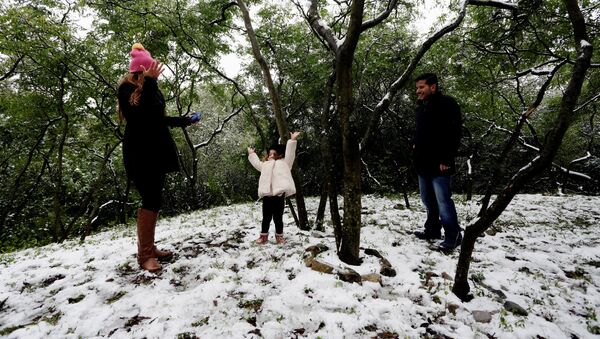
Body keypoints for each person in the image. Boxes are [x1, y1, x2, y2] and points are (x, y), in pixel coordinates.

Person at [117, 43, 198, 272]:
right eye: (149, 71)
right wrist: (150, 83)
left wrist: (185, 120)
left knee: (155, 199)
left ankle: (149, 248)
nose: (153, 73)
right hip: (139, 152)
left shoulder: (153, 88)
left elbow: (157, 119)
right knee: (149, 199)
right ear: (139, 71)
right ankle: (144, 256)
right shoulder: (126, 90)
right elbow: (138, 117)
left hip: (158, 151)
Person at [412, 73, 463, 251]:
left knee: (443, 200)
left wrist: (447, 158)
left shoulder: (447, 104)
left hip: (441, 162)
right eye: (417, 88)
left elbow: (455, 133)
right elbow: (421, 132)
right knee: (427, 199)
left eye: (422, 87)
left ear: (433, 87)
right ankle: (432, 230)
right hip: (423, 162)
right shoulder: (421, 107)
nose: (418, 91)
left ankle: (453, 236)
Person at [247, 132, 300, 245]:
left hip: (279, 197)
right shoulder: (265, 165)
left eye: (273, 154)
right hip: (267, 196)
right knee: (266, 218)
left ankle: (279, 237)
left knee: (278, 219)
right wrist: (252, 154)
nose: (270, 156)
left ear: (279, 155)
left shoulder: (285, 163)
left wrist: (292, 141)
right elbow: (256, 163)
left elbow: (290, 154)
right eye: (269, 154)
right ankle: (263, 237)